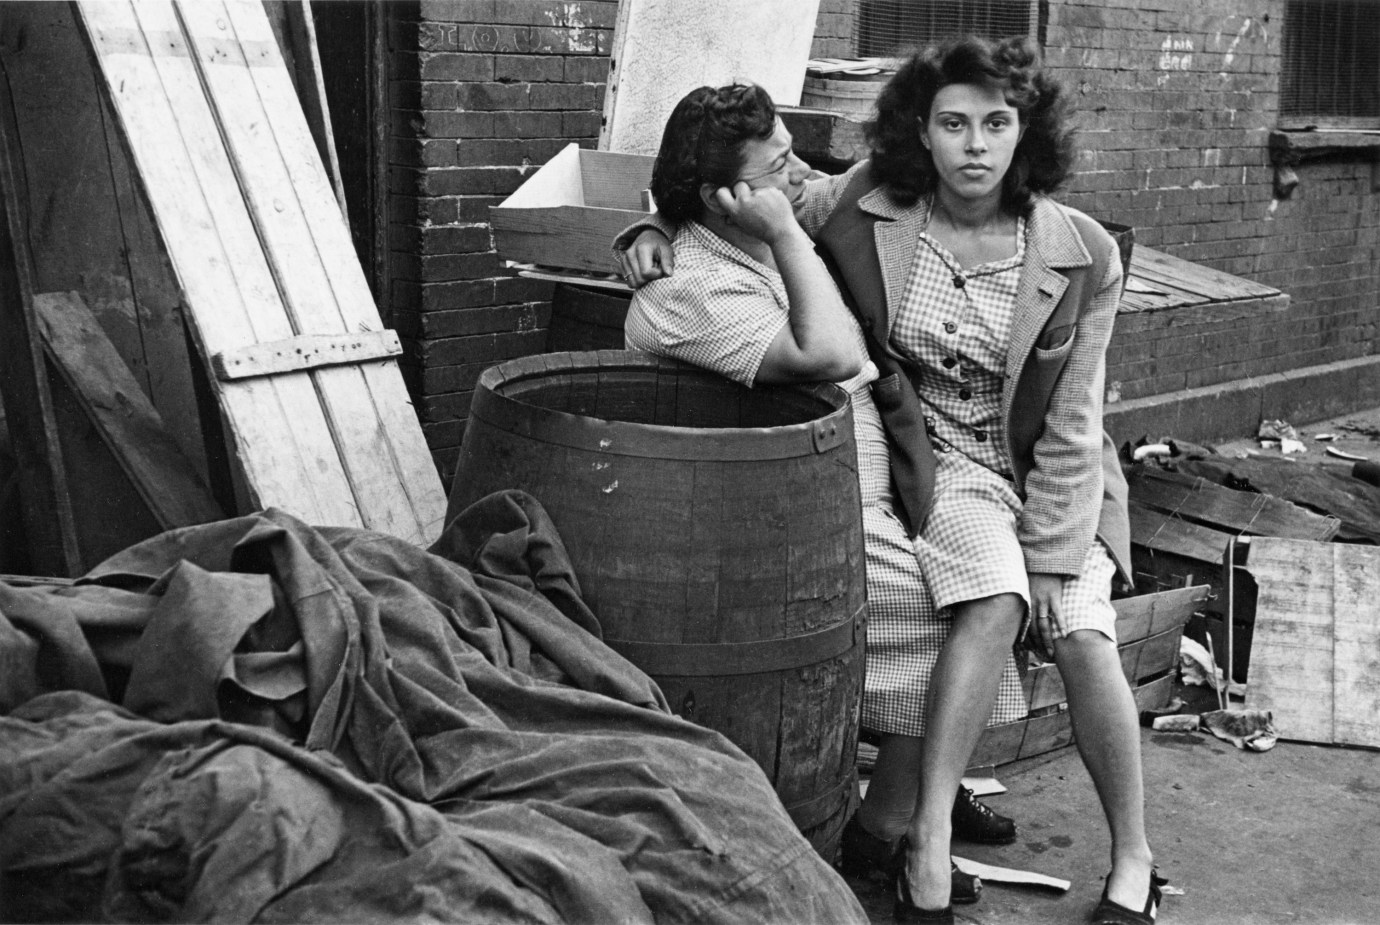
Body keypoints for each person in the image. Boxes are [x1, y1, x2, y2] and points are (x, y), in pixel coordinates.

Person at [619, 37, 1161, 925]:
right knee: (987, 600)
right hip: (940, 467)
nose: (976, 146)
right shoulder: (875, 201)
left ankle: (1131, 855)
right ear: (922, 131)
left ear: (1028, 132)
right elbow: (737, 202)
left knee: (1078, 622)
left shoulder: (1082, 252)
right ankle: (915, 827)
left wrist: (1057, 551)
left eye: (997, 123)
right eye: (953, 123)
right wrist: (648, 228)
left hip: (1047, 472)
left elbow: (1072, 425)